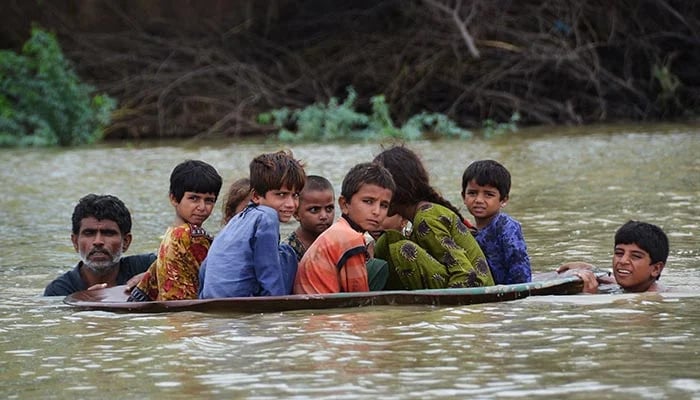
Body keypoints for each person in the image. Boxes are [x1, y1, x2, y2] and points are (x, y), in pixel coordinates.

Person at [372, 145, 495, 290]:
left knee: (403, 249)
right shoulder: (419, 217)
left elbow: (465, 274)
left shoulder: (427, 219)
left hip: (475, 290)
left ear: (398, 188)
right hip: (456, 283)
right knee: (387, 241)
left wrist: (443, 312)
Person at [199, 150, 306, 298]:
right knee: (287, 253)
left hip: (211, 299)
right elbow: (269, 273)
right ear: (256, 196)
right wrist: (278, 311)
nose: (291, 204)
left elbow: (205, 267)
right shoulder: (267, 216)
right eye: (281, 195)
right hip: (241, 301)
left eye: (295, 195)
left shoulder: (235, 222)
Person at [128, 160, 222, 302]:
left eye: (209, 200)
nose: (202, 207)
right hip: (189, 315)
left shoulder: (170, 234)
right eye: (194, 198)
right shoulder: (188, 235)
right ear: (174, 198)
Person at [294, 162, 395, 294]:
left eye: (384, 205)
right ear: (344, 204)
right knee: (380, 267)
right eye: (368, 201)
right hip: (321, 312)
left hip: (312, 308)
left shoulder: (339, 230)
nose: (377, 211)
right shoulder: (350, 238)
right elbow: (360, 298)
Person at [43, 194, 156, 296]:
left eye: (108, 233)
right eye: (89, 233)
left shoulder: (149, 267)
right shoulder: (58, 292)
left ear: (126, 241)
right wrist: (84, 304)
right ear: (75, 242)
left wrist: (157, 280)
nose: (98, 241)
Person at [461, 160, 531, 284]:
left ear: (503, 200)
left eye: (488, 194)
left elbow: (520, 270)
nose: (478, 200)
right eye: (472, 193)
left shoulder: (507, 227)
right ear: (463, 197)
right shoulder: (467, 232)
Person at [558, 220, 669, 293]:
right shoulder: (634, 286)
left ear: (656, 269)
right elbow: (613, 281)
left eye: (635, 256)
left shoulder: (652, 299)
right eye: (619, 253)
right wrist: (589, 269)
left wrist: (589, 298)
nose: (623, 261)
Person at [285, 175, 336, 261]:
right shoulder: (289, 252)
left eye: (329, 208)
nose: (324, 216)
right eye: (314, 210)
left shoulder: (338, 243)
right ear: (296, 213)